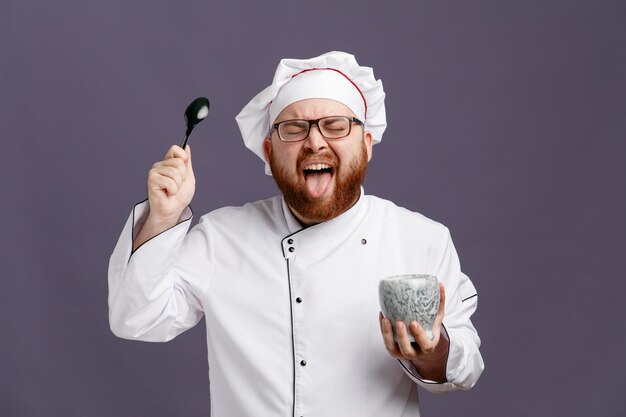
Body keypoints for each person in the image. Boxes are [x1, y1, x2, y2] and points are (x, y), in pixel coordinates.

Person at [108, 51, 484, 417]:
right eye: (294, 129)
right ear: (270, 152)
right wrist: (162, 217)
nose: (315, 142)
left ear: (366, 145)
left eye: (336, 125)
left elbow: (465, 367)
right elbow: (136, 318)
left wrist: (433, 353)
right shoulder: (222, 237)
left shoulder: (420, 238)